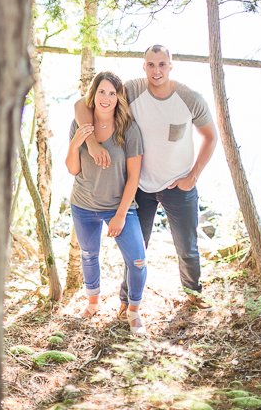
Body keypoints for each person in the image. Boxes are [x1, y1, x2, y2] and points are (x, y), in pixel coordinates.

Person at [76, 45, 218, 313]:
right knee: (136, 250)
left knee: (187, 247)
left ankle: (192, 292)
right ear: (144, 67)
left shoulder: (190, 98)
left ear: (170, 66)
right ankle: (126, 300)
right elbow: (82, 104)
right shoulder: (132, 90)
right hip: (140, 186)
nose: (156, 70)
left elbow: (210, 138)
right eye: (151, 65)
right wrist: (92, 143)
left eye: (162, 64)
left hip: (179, 185)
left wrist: (193, 176)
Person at [66, 71, 148, 335]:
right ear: (93, 94)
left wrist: (121, 214)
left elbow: (134, 176)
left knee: (138, 260)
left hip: (118, 206)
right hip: (83, 204)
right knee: (89, 255)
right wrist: (76, 144)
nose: (106, 98)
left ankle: (133, 310)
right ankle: (92, 303)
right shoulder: (80, 125)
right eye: (101, 91)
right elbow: (72, 169)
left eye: (112, 93)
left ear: (118, 98)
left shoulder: (128, 129)